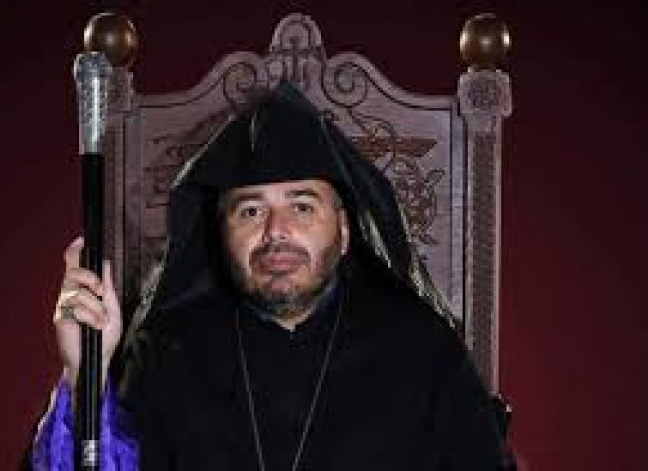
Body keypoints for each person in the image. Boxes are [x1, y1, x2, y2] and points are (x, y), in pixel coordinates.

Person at [31, 82, 512, 470]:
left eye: (302, 207)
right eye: (250, 211)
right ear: (221, 235)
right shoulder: (166, 352)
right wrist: (85, 375)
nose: (276, 231)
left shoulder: (422, 348)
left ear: (345, 231)